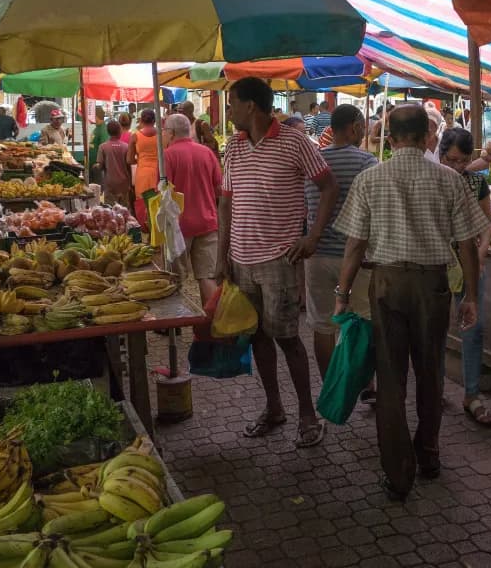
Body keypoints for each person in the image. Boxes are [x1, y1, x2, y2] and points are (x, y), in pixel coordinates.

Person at [334, 105, 486, 501]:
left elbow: (355, 245)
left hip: (386, 283)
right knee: (430, 371)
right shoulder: (450, 179)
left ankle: (398, 473)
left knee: (390, 377)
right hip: (432, 285)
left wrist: (342, 295)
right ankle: (428, 454)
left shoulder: (370, 178)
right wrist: (471, 296)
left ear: (391, 137)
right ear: (426, 137)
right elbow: (467, 245)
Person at [217, 77, 338, 448]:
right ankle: (274, 408)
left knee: (287, 339)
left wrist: (312, 236)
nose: (229, 111)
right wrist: (221, 256)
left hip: (279, 259)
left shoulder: (294, 141)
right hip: (241, 259)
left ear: (250, 106)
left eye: (232, 103)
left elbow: (329, 186)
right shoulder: (234, 147)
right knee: (257, 337)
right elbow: (226, 203)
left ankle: (307, 414)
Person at [300, 104, 378, 380]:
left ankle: (329, 384)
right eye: (363, 128)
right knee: (361, 323)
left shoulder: (315, 162)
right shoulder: (367, 162)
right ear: (354, 127)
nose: (364, 132)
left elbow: (305, 206)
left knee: (323, 326)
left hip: (318, 256)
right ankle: (364, 384)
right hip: (355, 258)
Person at [437, 127, 491, 426]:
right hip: (436, 264)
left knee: (473, 327)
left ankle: (472, 394)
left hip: (469, 264)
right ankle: (434, 389)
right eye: (452, 159)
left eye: (463, 160)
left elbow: (486, 224)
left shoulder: (476, 182)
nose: (458, 166)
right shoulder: (431, 180)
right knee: (434, 328)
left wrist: (480, 253)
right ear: (441, 155)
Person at [162, 114, 222, 305]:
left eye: (164, 131)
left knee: (174, 279)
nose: (163, 135)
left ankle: (177, 320)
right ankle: (213, 319)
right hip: (207, 222)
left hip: (178, 227)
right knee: (207, 277)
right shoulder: (206, 153)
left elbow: (163, 193)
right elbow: (219, 188)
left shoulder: (167, 156)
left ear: (171, 133)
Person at [126, 110, 160, 227]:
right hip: (158, 173)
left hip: (142, 175)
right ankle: (157, 230)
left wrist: (140, 160)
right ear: (154, 120)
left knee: (143, 204)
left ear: (141, 120)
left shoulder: (135, 136)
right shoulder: (162, 134)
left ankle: (147, 229)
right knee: (158, 203)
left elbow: (129, 160)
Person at [94, 119, 133, 207]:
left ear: (108, 132)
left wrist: (96, 166)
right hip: (124, 184)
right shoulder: (126, 147)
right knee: (124, 210)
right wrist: (130, 183)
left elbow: (100, 166)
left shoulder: (103, 147)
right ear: (120, 131)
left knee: (110, 210)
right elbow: (129, 167)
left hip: (110, 184)